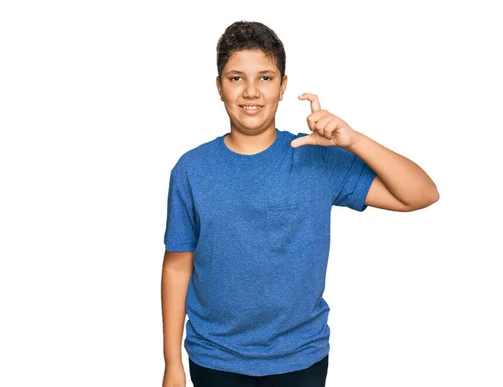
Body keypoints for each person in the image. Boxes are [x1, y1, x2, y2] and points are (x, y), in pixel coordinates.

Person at [161, 20, 439, 387]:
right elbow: (178, 266)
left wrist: (353, 140)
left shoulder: (316, 157)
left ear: (283, 87)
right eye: (235, 78)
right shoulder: (192, 169)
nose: (250, 92)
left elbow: (421, 194)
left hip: (301, 359)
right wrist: (172, 364)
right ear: (219, 86)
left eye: (264, 78)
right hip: (215, 358)